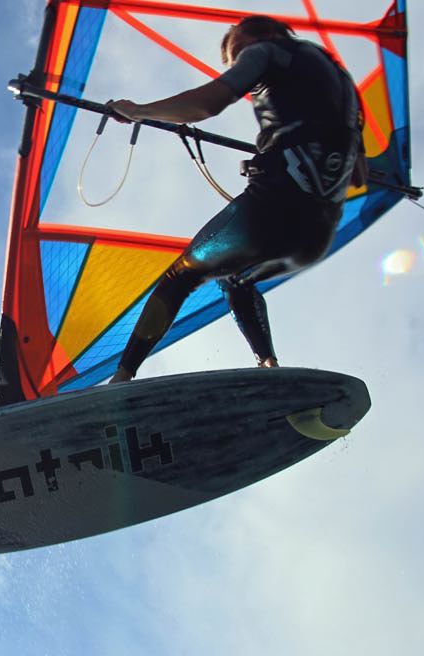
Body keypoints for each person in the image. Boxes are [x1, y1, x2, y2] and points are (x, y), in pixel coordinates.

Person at [106, 15, 367, 383]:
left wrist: (138, 112)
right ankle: (269, 368)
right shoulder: (345, 87)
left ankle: (122, 375)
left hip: (270, 211)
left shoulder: (267, 51)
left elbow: (207, 105)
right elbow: (359, 175)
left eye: (236, 51)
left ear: (265, 32)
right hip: (316, 235)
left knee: (180, 276)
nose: (236, 62)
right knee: (236, 282)